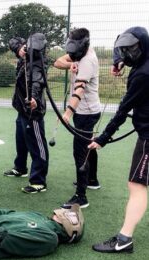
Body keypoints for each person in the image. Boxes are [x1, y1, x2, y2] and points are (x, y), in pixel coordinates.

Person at [89, 27, 149, 253]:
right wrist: (118, 62)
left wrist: (102, 139)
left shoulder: (143, 74)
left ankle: (124, 240)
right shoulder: (143, 61)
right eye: (124, 51)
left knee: (137, 185)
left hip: (148, 137)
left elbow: (124, 109)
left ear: (142, 47)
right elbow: (122, 48)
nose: (127, 54)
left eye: (131, 50)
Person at [53, 28, 101, 208]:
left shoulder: (88, 60)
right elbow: (57, 62)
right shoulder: (78, 52)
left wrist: (67, 113)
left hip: (86, 112)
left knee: (80, 151)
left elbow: (79, 89)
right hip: (88, 110)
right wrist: (70, 65)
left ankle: (81, 197)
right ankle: (93, 180)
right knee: (90, 145)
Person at [4, 33, 49, 194]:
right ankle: (20, 168)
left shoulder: (38, 63)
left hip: (33, 112)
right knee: (21, 140)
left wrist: (35, 98)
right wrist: (19, 48)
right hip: (21, 108)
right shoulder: (26, 50)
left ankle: (38, 181)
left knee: (37, 145)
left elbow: (37, 82)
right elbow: (12, 40)